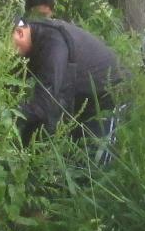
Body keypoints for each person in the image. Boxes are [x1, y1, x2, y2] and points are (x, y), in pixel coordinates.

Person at [11, 15, 127, 146]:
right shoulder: (34, 36)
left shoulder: (53, 45)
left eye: (8, 44)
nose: (7, 51)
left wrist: (8, 116)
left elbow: (46, 102)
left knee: (95, 154)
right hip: (86, 96)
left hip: (114, 95)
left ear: (20, 33)